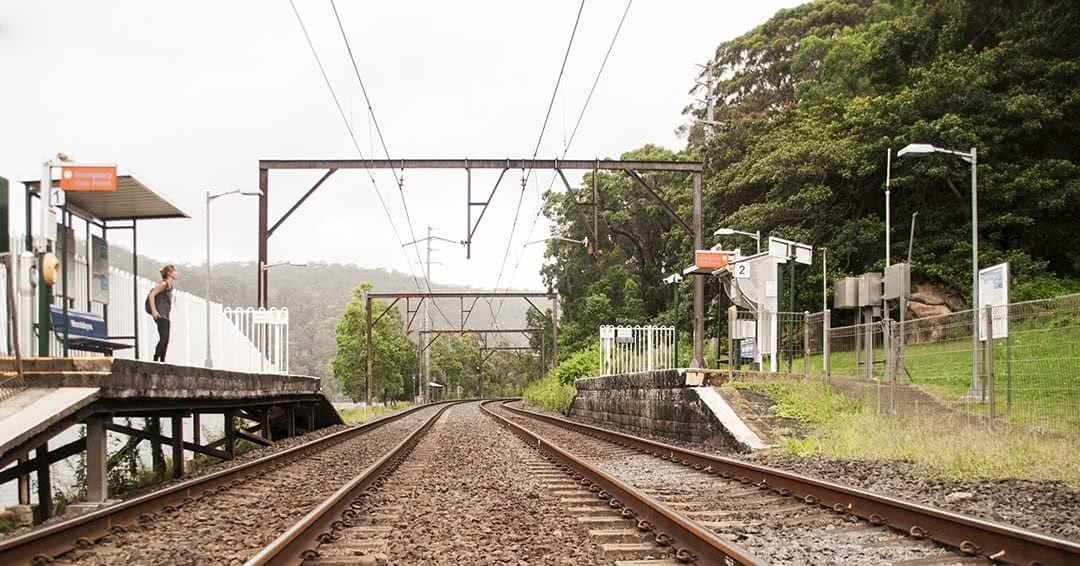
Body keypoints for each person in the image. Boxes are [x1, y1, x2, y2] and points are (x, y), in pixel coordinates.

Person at [148, 265, 177, 362]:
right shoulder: (163, 284)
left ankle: (162, 360)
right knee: (163, 338)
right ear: (169, 273)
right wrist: (154, 311)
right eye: (174, 271)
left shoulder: (170, 286)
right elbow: (152, 295)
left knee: (166, 340)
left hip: (166, 315)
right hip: (160, 314)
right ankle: (156, 359)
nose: (175, 273)